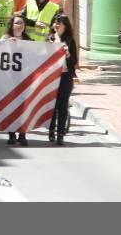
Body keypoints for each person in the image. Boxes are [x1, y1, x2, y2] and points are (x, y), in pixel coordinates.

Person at [48, 14, 78, 145]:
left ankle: (60, 134)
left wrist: (68, 54)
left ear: (65, 26)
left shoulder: (70, 41)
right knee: (52, 106)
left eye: (59, 23)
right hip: (51, 78)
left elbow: (75, 61)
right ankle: (51, 130)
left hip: (65, 76)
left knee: (62, 105)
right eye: (55, 23)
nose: (56, 25)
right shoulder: (49, 39)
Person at [3, 14, 32, 146]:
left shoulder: (28, 40)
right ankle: (11, 134)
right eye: (17, 23)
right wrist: (8, 45)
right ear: (12, 25)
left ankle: (22, 134)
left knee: (23, 108)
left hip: (24, 79)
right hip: (9, 79)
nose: (20, 26)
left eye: (22, 23)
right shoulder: (5, 39)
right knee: (11, 107)